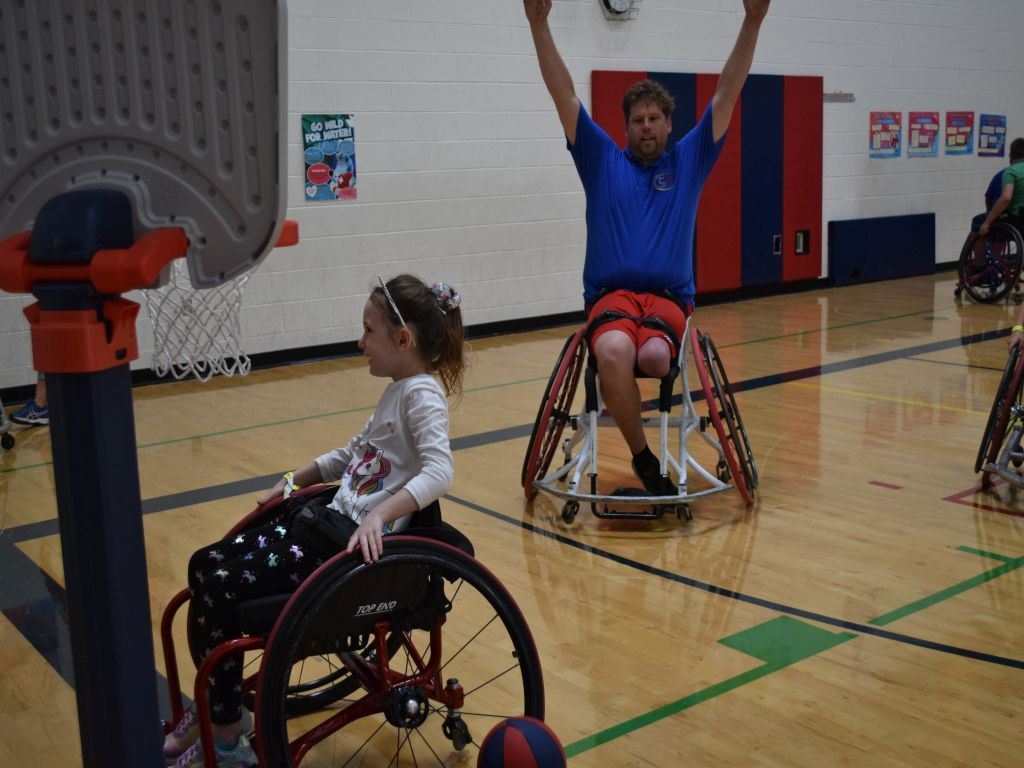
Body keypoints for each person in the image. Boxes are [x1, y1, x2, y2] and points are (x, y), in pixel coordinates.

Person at [163, 275, 466, 767]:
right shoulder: (398, 390)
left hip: (343, 550)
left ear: (403, 339)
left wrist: (381, 517)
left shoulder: (421, 395)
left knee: (219, 584)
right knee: (204, 564)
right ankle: (218, 707)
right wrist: (287, 482)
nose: (360, 341)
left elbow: (440, 470)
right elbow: (350, 456)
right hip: (323, 527)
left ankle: (227, 734)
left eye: (369, 331)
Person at [523, 0, 770, 494]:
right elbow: (563, 94)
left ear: (669, 125)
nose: (647, 127)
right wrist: (538, 23)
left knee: (657, 359)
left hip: (668, 301)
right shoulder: (599, 159)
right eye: (638, 119)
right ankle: (644, 459)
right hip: (611, 299)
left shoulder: (689, 162)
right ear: (626, 126)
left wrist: (753, 20)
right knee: (614, 350)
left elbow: (727, 92)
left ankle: (640, 412)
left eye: (655, 118)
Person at [972, 139, 1024, 233]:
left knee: (978, 220)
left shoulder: (1011, 171)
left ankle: (977, 247)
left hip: (1015, 217)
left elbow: (1006, 197)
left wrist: (987, 222)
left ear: (1010, 156)